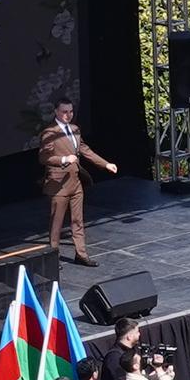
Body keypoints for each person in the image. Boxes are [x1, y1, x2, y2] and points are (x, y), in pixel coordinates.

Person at [41, 97, 119, 260]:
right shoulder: (50, 133)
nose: (68, 115)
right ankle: (53, 257)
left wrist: (105, 164)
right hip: (58, 184)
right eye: (64, 112)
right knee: (56, 224)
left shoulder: (75, 129)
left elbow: (85, 150)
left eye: (70, 112)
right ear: (56, 112)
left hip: (75, 182)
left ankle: (81, 254)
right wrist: (64, 159)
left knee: (78, 220)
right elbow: (44, 157)